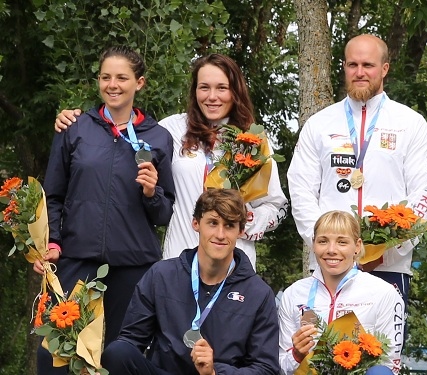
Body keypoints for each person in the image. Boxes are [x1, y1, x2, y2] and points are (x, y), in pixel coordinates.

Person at [55, 53, 288, 268]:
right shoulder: (172, 129)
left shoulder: (252, 141)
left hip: (234, 262)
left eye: (222, 88)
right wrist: (76, 119)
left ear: (235, 91)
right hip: (179, 260)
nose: (212, 97)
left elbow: (277, 207)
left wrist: (241, 222)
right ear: (194, 91)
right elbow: (119, 134)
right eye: (204, 87)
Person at [34, 46, 175, 374]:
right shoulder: (75, 128)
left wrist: (153, 192)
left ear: (139, 83)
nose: (113, 84)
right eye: (105, 77)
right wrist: (53, 243)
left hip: (134, 267)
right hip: (77, 261)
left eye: (122, 78)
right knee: (55, 354)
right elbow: (51, 195)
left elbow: (165, 213)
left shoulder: (158, 138)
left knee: (116, 357)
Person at [287, 34, 427, 313]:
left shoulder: (410, 124)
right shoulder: (319, 124)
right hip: (328, 265)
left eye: (368, 65)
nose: (359, 72)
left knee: (381, 353)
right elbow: (300, 190)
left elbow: (426, 191)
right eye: (352, 64)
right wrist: (326, 247)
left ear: (384, 69)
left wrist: (387, 250)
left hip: (389, 265)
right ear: (344, 67)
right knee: (324, 352)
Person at [101, 188, 279, 375]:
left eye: (229, 225)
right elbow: (131, 341)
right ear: (196, 223)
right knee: (116, 353)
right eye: (212, 222)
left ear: (241, 231)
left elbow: (265, 369)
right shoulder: (161, 275)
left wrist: (215, 372)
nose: (220, 234)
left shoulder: (258, 294)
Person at [278, 210, 404, 374]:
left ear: (357, 246)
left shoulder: (383, 292)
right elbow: (281, 366)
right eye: (323, 241)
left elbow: (390, 364)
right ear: (313, 245)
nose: (331, 250)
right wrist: (296, 355)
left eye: (342, 242)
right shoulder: (293, 294)